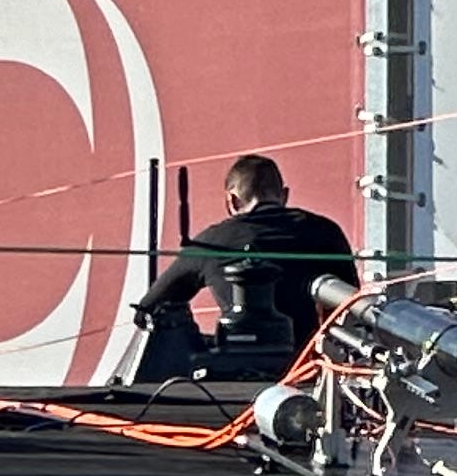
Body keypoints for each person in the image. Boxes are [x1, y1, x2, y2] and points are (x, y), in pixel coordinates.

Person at [132, 154, 358, 382]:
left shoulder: (211, 241)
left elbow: (150, 308)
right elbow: (352, 307)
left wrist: (202, 343)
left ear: (232, 200)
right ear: (284, 195)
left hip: (231, 377)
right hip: (305, 373)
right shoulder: (325, 232)